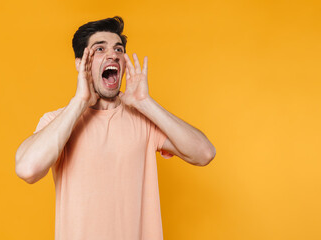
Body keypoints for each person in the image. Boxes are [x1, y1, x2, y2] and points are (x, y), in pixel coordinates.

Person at [15, 16, 216, 240]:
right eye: (100, 49)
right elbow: (28, 169)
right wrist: (80, 102)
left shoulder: (144, 120)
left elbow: (204, 153)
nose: (113, 55)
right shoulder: (58, 121)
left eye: (119, 50)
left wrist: (146, 103)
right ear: (80, 63)